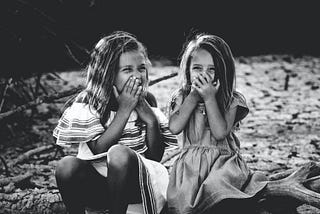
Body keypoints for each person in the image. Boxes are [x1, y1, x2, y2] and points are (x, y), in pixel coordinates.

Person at [53, 31, 177, 214]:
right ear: (108, 73)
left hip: (137, 186)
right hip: (98, 187)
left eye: (141, 68)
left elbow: (154, 158)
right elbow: (98, 149)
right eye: (127, 70)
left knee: (119, 153)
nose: (137, 75)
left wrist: (151, 121)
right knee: (66, 165)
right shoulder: (89, 101)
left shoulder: (147, 100)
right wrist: (124, 110)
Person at [166, 33, 269, 214]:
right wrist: (193, 97)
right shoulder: (182, 97)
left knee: (217, 187)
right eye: (197, 68)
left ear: (223, 72)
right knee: (185, 203)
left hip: (222, 164)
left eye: (211, 70)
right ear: (188, 70)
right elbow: (174, 127)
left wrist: (209, 98)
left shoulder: (231, 100)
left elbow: (219, 132)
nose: (204, 75)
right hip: (190, 168)